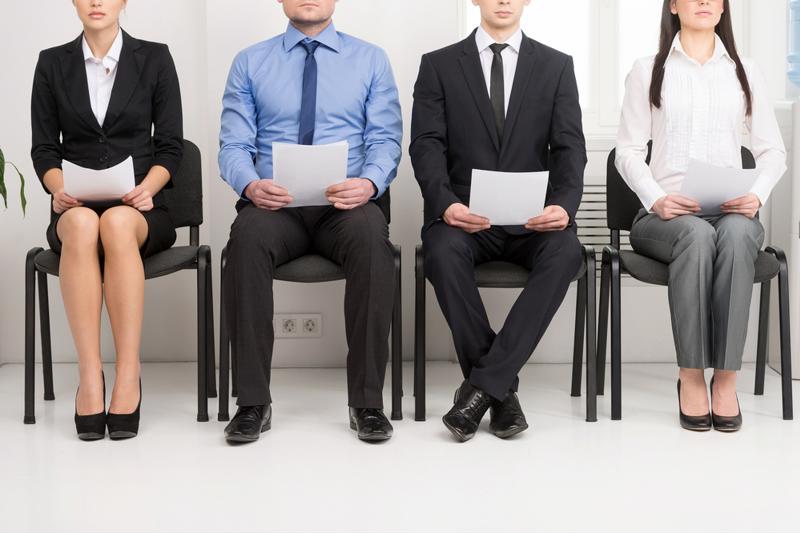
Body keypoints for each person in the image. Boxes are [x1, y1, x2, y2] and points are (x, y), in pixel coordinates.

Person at [219, 0, 402, 444]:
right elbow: (232, 145)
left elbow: (386, 140)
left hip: (346, 207)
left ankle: (367, 403)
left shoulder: (371, 60)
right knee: (245, 239)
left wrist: (369, 183)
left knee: (373, 241)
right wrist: (250, 186)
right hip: (275, 207)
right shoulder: (250, 62)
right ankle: (252, 403)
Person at [410, 0, 586, 442]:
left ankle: (481, 389)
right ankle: (500, 393)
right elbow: (426, 145)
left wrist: (564, 205)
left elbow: (570, 148)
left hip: (533, 220)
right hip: (465, 216)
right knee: (442, 252)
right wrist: (445, 204)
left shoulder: (556, 66)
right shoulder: (439, 65)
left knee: (567, 252)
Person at [616, 0, 786, 432]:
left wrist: (756, 194)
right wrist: (656, 198)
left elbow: (773, 152)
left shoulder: (744, 70)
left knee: (735, 234)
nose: (705, 1)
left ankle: (725, 378)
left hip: (729, 211)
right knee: (695, 234)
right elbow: (628, 153)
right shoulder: (647, 69)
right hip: (665, 219)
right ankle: (691, 375)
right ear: (674, 5)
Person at [30, 0, 183, 440]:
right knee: (81, 224)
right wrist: (58, 187)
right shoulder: (51, 64)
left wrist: (149, 188)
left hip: (139, 208)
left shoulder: (154, 57)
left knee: (116, 221)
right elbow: (44, 148)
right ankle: (91, 375)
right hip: (74, 205)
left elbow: (170, 145)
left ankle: (128, 373)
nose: (97, 1)